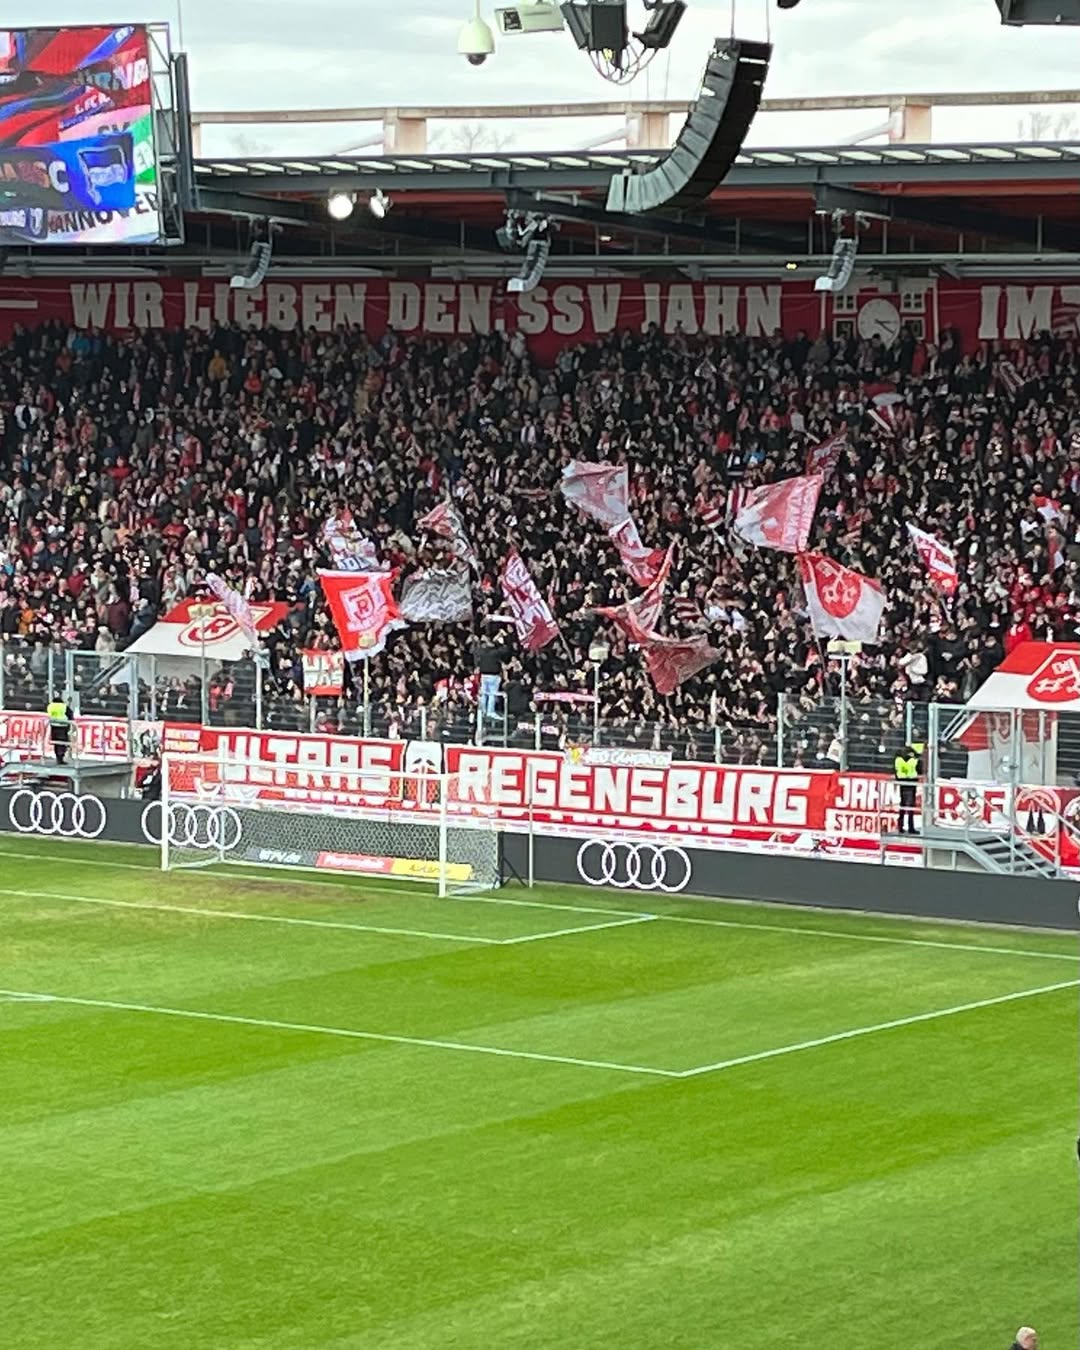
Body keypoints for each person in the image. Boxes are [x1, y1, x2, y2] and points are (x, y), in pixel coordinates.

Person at [894, 742, 921, 834]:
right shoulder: (913, 760)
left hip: (902, 783)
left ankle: (900, 827)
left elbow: (895, 770)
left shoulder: (898, 759)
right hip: (911, 783)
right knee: (910, 807)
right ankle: (911, 827)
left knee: (902, 806)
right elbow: (919, 769)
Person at [46, 693, 75, 766]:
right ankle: (61, 758)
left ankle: (58, 758)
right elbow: (70, 715)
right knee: (62, 743)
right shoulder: (63, 706)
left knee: (56, 743)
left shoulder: (50, 706)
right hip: (63, 726)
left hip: (53, 725)